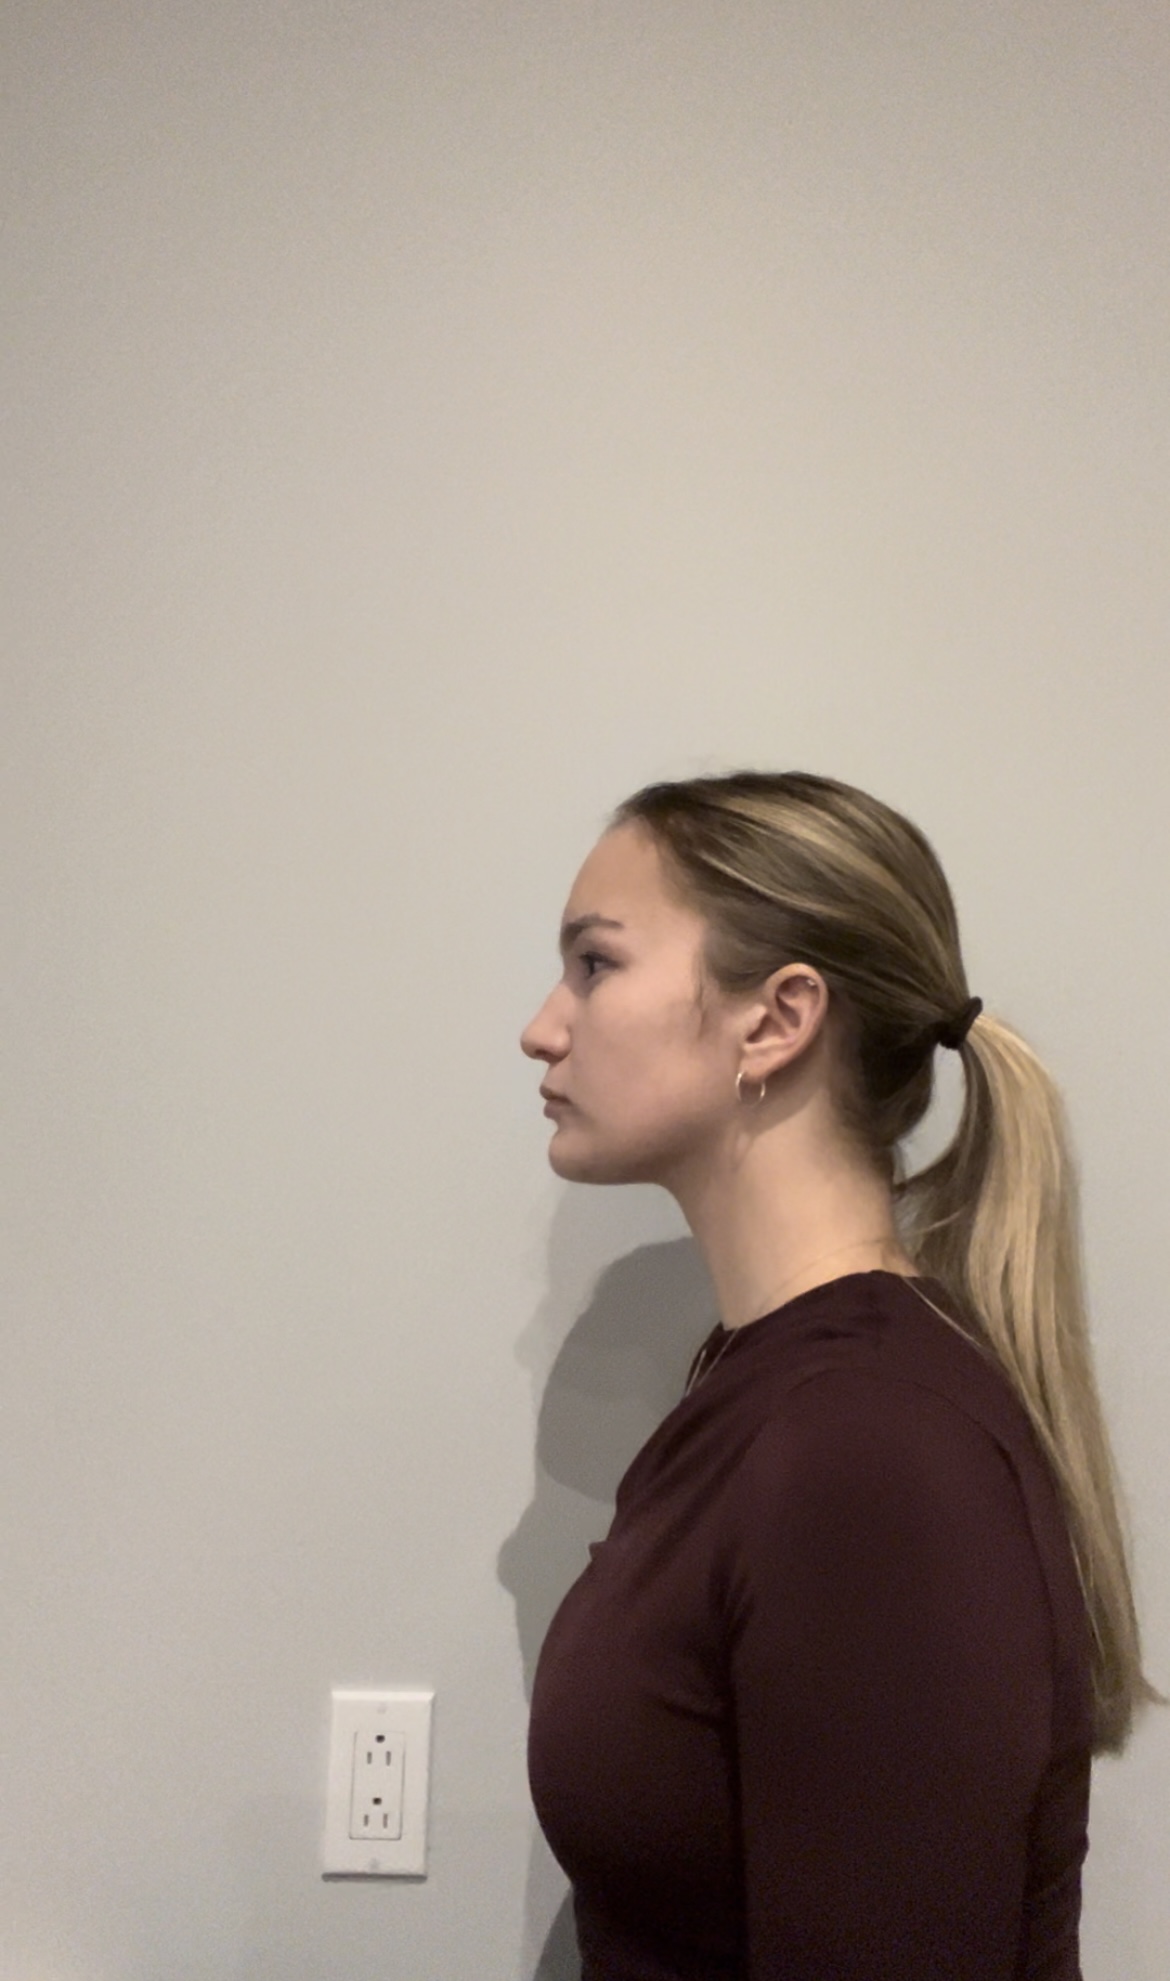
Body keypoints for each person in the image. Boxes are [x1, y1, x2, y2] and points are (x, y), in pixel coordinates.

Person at [518, 769, 1159, 1981]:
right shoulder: (765, 1389)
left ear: (777, 1018)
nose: (544, 1026)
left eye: (595, 964)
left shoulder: (868, 1448)